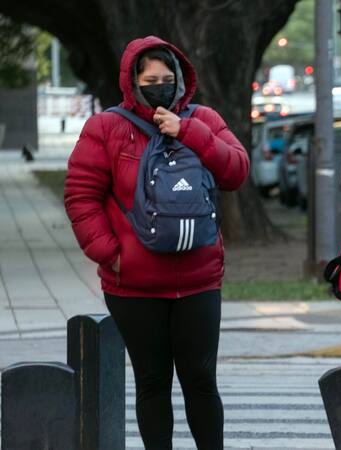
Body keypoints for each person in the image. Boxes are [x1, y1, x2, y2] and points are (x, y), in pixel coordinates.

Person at [64, 36, 249, 450]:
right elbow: (81, 195)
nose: (160, 86)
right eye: (151, 80)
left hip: (199, 281)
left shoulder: (204, 119)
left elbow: (236, 172)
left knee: (201, 380)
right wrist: (110, 254)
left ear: (181, 80)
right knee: (152, 382)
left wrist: (190, 132)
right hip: (134, 284)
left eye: (168, 79)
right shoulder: (107, 128)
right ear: (133, 82)